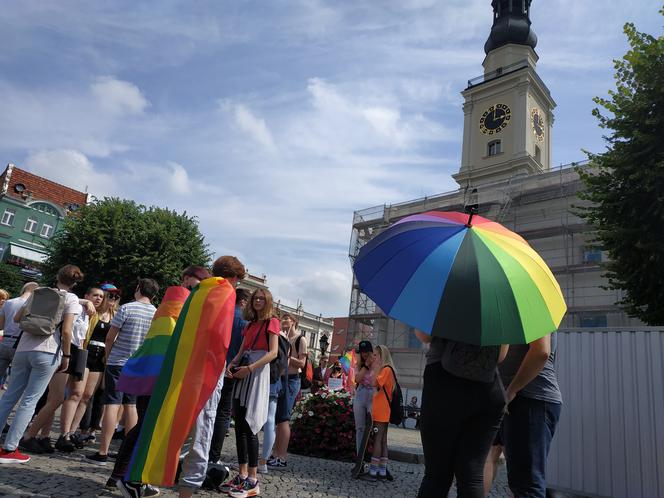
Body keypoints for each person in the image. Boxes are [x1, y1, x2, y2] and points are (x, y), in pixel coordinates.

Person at [0, 265, 84, 464]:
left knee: (9, 396)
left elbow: (17, 318)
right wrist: (67, 355)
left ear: (57, 276)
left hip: (23, 348)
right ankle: (9, 448)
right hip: (47, 351)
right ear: (75, 282)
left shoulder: (37, 292)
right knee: (30, 400)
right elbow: (67, 331)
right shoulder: (71, 299)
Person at [176, 259, 245, 498]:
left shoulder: (198, 292)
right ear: (234, 279)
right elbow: (219, 337)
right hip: (209, 369)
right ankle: (186, 491)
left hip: (185, 366)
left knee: (178, 426)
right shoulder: (225, 294)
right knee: (203, 430)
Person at [415, 332, 508, 498]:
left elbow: (424, 335)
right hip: (488, 388)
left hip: (443, 383)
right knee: (472, 477)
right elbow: (501, 355)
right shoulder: (499, 307)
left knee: (437, 475)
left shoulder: (444, 304)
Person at [86, 278, 159, 465]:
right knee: (131, 406)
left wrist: (108, 356)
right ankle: (127, 452)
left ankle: (102, 451)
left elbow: (110, 337)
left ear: (138, 289)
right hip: (139, 365)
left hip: (118, 362)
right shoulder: (156, 313)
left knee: (112, 404)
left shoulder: (126, 308)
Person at [21, 287, 100, 453]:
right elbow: (66, 303)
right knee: (55, 397)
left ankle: (49, 436)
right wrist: (83, 301)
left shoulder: (91, 314)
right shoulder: (77, 304)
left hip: (79, 351)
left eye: (101, 296)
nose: (98, 299)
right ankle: (31, 435)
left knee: (71, 394)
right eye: (95, 295)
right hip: (66, 349)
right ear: (86, 295)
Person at [484, 333, 562, 498]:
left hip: (530, 398)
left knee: (527, 484)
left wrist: (512, 390)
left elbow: (541, 352)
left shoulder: (536, 306)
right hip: (511, 397)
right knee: (518, 479)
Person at [222, 288, 280, 498]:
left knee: (250, 425)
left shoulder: (271, 322)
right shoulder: (249, 325)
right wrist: (234, 363)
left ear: (267, 302)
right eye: (255, 298)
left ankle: (253, 479)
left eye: (261, 299)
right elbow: (242, 350)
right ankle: (242, 473)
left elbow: (273, 353)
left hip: (257, 373)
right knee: (239, 425)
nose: (257, 301)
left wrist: (251, 368)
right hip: (244, 371)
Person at [66, 283, 120, 445]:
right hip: (86, 353)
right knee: (77, 394)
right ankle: (67, 432)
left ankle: (75, 431)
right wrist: (86, 302)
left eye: (115, 297)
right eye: (109, 296)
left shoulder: (116, 315)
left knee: (88, 396)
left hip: (101, 359)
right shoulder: (92, 311)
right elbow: (74, 302)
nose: (112, 299)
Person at [208, 287, 250, 466]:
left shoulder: (221, 314)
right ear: (243, 302)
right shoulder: (245, 322)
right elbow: (245, 349)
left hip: (213, 367)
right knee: (223, 413)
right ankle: (213, 457)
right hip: (232, 371)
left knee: (206, 409)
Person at [268, 312, 306, 471]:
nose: (283, 321)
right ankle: (275, 453)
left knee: (284, 417)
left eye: (286, 319)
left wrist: (288, 358)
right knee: (278, 418)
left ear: (294, 322)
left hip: (292, 379)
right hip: (281, 379)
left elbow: (302, 364)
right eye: (282, 319)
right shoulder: (282, 337)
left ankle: (281, 456)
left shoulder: (300, 339)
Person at [0, 283, 39, 390]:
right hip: (20, 344)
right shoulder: (34, 306)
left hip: (5, 341)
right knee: (15, 381)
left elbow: (1, 326)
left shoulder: (8, 302)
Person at [367, 345, 395, 481]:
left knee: (378, 439)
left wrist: (374, 368)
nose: (374, 358)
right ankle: (382, 472)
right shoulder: (388, 370)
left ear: (382, 356)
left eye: (376, 355)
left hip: (381, 409)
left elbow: (374, 383)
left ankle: (373, 471)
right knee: (383, 440)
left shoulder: (385, 370)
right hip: (384, 409)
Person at [353, 340, 375, 457]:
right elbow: (357, 379)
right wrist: (366, 365)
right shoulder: (359, 364)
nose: (364, 354)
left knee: (373, 426)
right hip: (361, 392)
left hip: (373, 393)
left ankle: (373, 456)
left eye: (366, 352)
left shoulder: (377, 363)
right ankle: (359, 456)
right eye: (362, 352)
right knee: (360, 428)